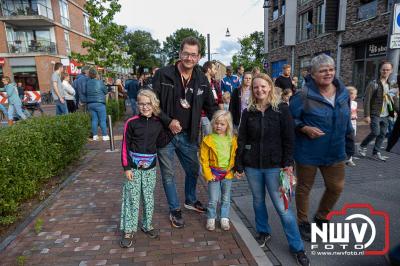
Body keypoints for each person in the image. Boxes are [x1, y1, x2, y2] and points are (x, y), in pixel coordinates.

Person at [235, 73, 310, 266]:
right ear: (252, 90)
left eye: (263, 86)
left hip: (275, 167)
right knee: (258, 201)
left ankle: (297, 247)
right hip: (252, 166)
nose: (259, 90)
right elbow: (242, 139)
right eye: (256, 87)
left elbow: (289, 139)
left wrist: (287, 164)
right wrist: (239, 163)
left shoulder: (281, 109)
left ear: (270, 87)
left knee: (283, 208)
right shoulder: (248, 111)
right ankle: (263, 232)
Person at [152, 37, 218, 228]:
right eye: (186, 53)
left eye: (194, 55)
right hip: (165, 135)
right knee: (168, 174)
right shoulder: (163, 75)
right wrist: (168, 121)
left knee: (193, 169)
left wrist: (223, 123)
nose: (189, 58)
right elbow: (151, 103)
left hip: (189, 135)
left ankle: (190, 199)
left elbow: (211, 106)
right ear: (180, 53)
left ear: (199, 57)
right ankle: (175, 209)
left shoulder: (202, 80)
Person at [289, 54, 354, 243]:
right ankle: (302, 222)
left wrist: (349, 145)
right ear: (313, 74)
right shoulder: (303, 95)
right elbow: (289, 119)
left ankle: (321, 216)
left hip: (335, 150)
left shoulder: (343, 93)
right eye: (322, 70)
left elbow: (347, 119)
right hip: (308, 151)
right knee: (304, 187)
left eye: (331, 69)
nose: (328, 73)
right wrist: (304, 128)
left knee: (336, 187)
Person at [120, 89, 164, 248]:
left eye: (148, 103)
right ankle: (128, 229)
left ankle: (147, 224)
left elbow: (162, 141)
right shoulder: (131, 122)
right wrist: (127, 167)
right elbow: (125, 146)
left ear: (154, 104)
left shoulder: (158, 123)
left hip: (150, 168)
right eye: (142, 104)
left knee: (148, 197)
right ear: (137, 104)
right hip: (133, 168)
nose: (145, 107)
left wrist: (173, 129)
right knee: (132, 198)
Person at [200, 110, 237, 231]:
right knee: (213, 199)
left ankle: (224, 218)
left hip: (228, 173)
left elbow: (235, 156)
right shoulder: (208, 139)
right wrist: (208, 174)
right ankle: (211, 218)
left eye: (222, 124)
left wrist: (236, 169)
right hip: (214, 174)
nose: (219, 126)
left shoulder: (232, 139)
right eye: (216, 123)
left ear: (228, 125)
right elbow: (204, 159)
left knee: (226, 198)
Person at [358, 61, 399, 161]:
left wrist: (395, 111)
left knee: (383, 134)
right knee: (376, 132)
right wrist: (367, 115)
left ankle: (375, 152)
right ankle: (362, 146)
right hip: (375, 113)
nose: (385, 71)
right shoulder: (374, 84)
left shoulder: (392, 85)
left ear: (391, 71)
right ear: (380, 70)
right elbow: (366, 99)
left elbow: (393, 99)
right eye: (384, 69)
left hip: (386, 114)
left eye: (388, 69)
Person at [83, 68, 109, 141]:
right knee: (102, 120)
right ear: (96, 74)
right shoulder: (99, 82)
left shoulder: (87, 83)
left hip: (90, 104)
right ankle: (105, 135)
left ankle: (95, 135)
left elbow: (85, 92)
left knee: (94, 120)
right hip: (100, 103)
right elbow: (106, 91)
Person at [200, 61, 223, 136]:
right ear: (209, 70)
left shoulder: (215, 83)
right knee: (209, 137)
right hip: (204, 115)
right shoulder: (199, 83)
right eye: (214, 69)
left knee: (216, 136)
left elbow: (220, 100)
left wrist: (222, 114)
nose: (216, 71)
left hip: (215, 114)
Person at [346, 86, 358, 167]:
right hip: (346, 124)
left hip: (353, 123)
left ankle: (349, 158)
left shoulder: (355, 103)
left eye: (354, 94)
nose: (353, 95)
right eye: (350, 93)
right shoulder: (343, 102)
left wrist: (355, 117)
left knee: (352, 140)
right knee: (348, 141)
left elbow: (354, 113)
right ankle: (349, 159)